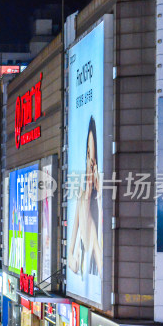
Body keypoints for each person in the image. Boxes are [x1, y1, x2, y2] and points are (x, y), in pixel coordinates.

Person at [68, 116, 104, 282]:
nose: (90, 162)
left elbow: (100, 259)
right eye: (88, 154)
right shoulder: (81, 197)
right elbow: (73, 233)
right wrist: (71, 256)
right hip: (82, 266)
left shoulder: (98, 203)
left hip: (88, 267)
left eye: (93, 158)